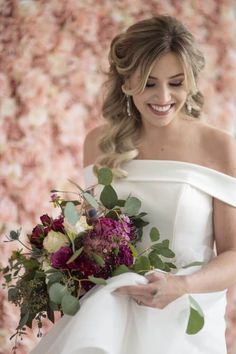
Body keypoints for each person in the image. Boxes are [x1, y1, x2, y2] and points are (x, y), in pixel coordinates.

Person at [31, 15, 236, 354]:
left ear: (192, 82)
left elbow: (234, 254)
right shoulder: (98, 143)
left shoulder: (219, 147)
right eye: (149, 82)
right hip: (108, 316)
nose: (163, 97)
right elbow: (96, 236)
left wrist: (182, 285)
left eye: (176, 82)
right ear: (126, 80)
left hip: (183, 321)